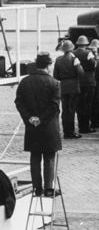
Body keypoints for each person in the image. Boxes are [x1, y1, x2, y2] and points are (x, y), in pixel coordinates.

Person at [15, 52, 62, 198]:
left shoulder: (25, 81)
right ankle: (49, 188)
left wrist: (30, 118)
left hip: (32, 126)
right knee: (49, 157)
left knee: (35, 157)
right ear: (49, 65)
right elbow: (54, 106)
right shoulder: (54, 83)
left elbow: (19, 102)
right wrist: (40, 119)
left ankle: (37, 188)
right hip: (48, 126)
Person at [54, 40, 84, 139]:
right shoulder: (74, 59)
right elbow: (80, 73)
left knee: (65, 110)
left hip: (63, 86)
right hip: (73, 86)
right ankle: (70, 132)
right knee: (71, 110)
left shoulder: (58, 59)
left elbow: (56, 75)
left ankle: (66, 131)